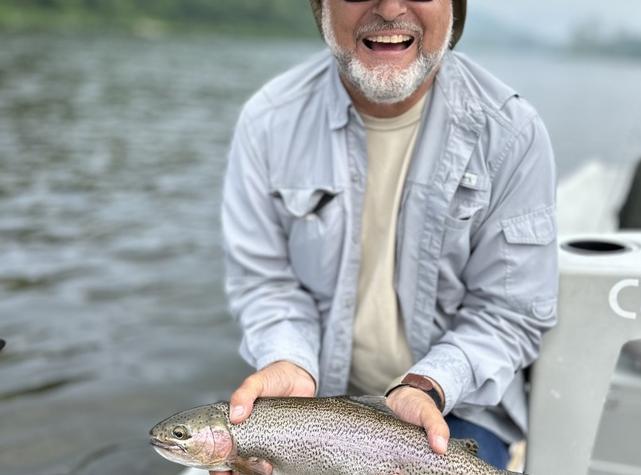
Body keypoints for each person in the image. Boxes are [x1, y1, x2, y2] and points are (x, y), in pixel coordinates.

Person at [214, 0, 557, 473]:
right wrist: (288, 361)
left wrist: (427, 384)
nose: (392, 7)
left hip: (456, 408)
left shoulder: (513, 135)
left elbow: (509, 312)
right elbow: (266, 283)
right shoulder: (268, 120)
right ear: (321, 6)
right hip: (312, 406)